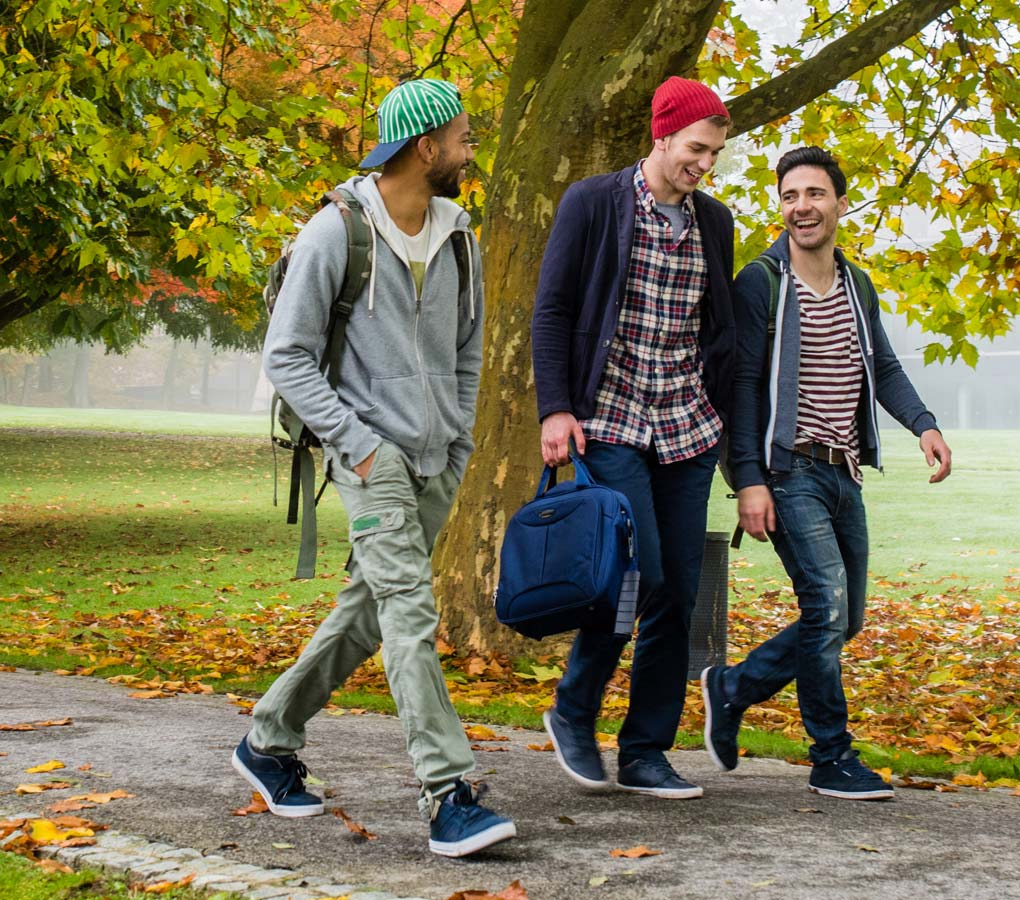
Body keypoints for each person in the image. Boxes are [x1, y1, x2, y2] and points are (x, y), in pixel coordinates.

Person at [235, 80, 515, 856]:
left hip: (437, 458)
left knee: (368, 612)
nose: (468, 150)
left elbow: (466, 353)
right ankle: (447, 792)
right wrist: (357, 444)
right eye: (460, 137)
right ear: (425, 148)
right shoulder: (337, 232)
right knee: (407, 614)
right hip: (370, 460)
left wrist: (457, 440)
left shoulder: (460, 236)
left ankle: (268, 740)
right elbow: (287, 357)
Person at [702, 146, 952, 800]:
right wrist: (748, 479)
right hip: (790, 472)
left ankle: (731, 688)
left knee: (847, 617)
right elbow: (744, 387)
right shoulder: (762, 283)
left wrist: (924, 424)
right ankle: (831, 755)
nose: (801, 206)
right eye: (790, 195)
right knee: (828, 605)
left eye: (814, 193)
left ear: (840, 203)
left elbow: (885, 370)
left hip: (844, 473)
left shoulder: (855, 284)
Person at [530, 77, 735, 800]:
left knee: (678, 591)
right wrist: (555, 407)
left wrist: (729, 433)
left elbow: (721, 333)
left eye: (714, 153)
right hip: (609, 417)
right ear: (661, 136)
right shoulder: (594, 203)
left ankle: (646, 750)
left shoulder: (714, 221)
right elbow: (552, 309)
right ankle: (574, 709)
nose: (704, 164)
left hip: (685, 426)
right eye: (695, 149)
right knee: (634, 573)